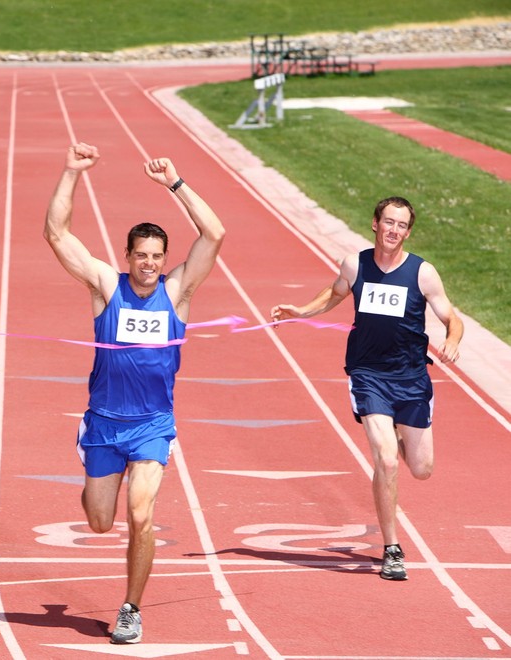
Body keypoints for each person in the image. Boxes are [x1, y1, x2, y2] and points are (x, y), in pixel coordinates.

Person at [44, 142, 225, 644]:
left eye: (156, 257)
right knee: (100, 522)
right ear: (127, 257)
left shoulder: (177, 292)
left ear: (166, 260)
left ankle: (130, 608)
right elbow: (56, 233)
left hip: (151, 424)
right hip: (103, 421)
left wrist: (175, 184)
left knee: (141, 513)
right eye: (140, 256)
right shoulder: (106, 286)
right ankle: (88, 448)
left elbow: (215, 233)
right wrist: (71, 171)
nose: (148, 264)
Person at [271, 196, 463, 582]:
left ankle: (397, 435)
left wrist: (454, 338)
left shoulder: (423, 273)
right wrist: (301, 311)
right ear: (375, 223)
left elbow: (449, 315)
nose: (393, 230)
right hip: (368, 374)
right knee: (387, 460)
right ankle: (392, 547)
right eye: (387, 221)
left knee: (422, 469)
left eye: (401, 225)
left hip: (411, 378)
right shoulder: (355, 264)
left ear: (408, 232)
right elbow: (335, 292)